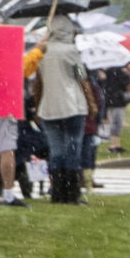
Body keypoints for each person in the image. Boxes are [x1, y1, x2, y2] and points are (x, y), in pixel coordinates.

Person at [38, 18, 92, 204]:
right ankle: (72, 193)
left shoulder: (42, 50)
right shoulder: (70, 50)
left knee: (56, 150)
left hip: (49, 105)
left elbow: (38, 79)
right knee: (73, 148)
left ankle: (57, 192)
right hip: (72, 104)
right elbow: (81, 76)